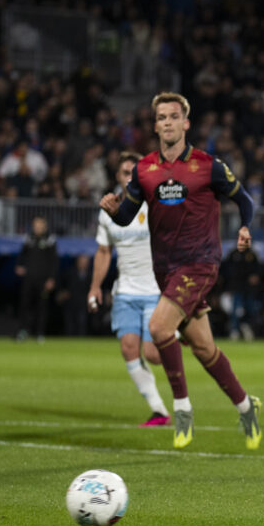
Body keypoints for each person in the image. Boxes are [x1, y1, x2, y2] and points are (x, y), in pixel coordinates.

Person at [100, 91, 261, 450]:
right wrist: (114, 210)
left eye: (174, 116)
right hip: (167, 270)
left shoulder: (208, 165)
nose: (167, 123)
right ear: (155, 125)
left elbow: (244, 199)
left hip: (201, 264)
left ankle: (182, 409)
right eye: (161, 118)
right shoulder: (144, 169)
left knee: (158, 327)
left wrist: (245, 227)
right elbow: (126, 217)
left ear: (185, 123)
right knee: (204, 348)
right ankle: (247, 406)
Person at [89, 151, 171, 427]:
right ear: (118, 177)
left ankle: (179, 334)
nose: (129, 177)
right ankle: (159, 410)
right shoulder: (109, 209)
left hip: (155, 290)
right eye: (125, 172)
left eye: (134, 172)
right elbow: (103, 251)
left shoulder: (155, 204)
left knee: (153, 354)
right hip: (125, 291)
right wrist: (95, 287)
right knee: (128, 349)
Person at [15, 216, 58, 342]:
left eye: (39, 225)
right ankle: (23, 331)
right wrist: (19, 266)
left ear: (44, 226)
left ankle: (39, 333)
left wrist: (51, 278)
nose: (37, 228)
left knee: (42, 306)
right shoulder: (29, 239)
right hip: (29, 278)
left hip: (43, 279)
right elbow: (21, 255)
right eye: (35, 225)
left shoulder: (50, 240)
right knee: (25, 305)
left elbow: (54, 261)